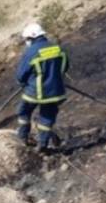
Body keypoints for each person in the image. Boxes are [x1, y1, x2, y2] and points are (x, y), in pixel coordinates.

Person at [15, 23, 69, 153]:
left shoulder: (31, 52)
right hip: (56, 91)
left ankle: (22, 138)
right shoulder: (57, 48)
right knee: (47, 117)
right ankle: (42, 145)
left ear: (31, 38)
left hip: (35, 92)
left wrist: (24, 82)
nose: (26, 42)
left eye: (27, 39)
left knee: (23, 112)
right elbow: (64, 67)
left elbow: (21, 75)